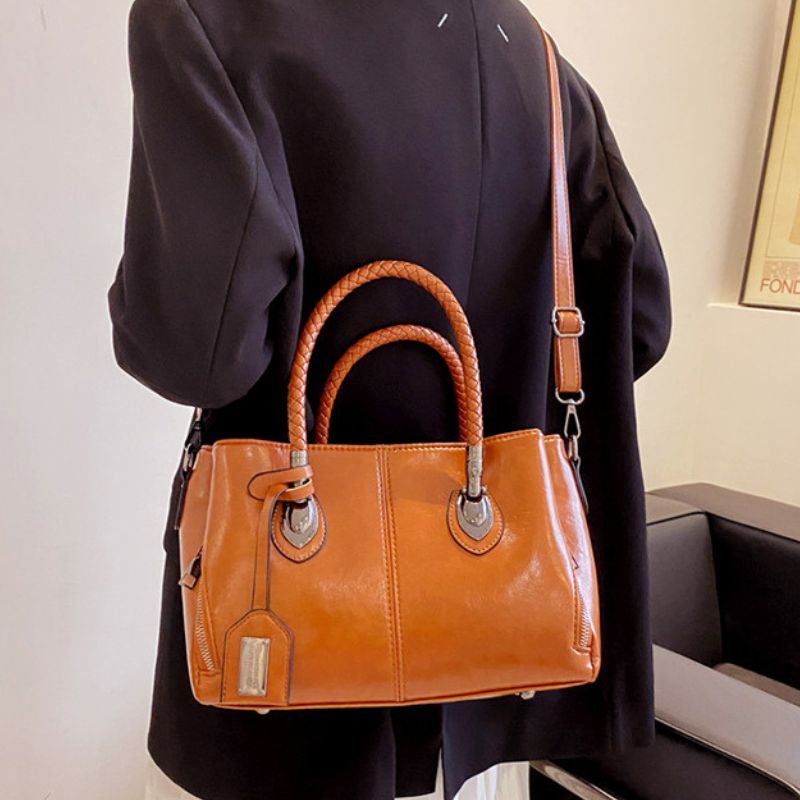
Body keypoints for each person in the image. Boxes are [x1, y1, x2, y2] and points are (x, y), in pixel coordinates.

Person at [107, 0, 672, 798]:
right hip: (487, 650)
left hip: (296, 653)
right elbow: (639, 324)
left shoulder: (205, 19)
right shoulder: (535, 60)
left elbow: (199, 355)